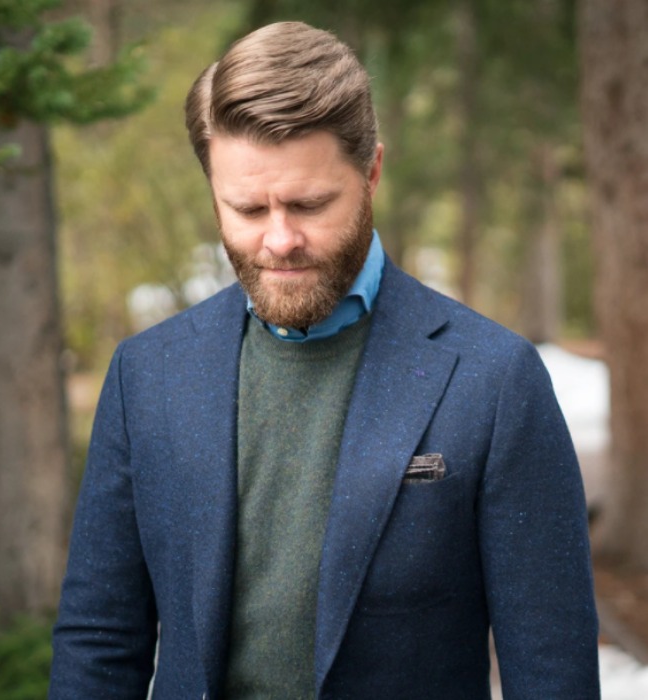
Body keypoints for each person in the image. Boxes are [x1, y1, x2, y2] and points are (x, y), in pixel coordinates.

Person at [49, 21, 600, 700]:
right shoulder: (146, 376)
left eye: (310, 204)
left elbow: (553, 670)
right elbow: (99, 643)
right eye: (247, 208)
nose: (279, 239)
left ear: (371, 171)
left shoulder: (494, 379)